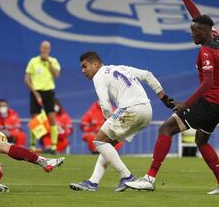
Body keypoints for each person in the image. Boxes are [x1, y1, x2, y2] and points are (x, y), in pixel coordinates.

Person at [126, 0, 219, 195]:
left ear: (203, 33)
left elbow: (208, 82)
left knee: (167, 128)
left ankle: (149, 178)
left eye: (193, 32)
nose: (191, 34)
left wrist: (187, 103)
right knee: (201, 140)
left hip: (210, 101)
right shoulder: (217, 37)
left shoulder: (205, 51)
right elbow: (197, 16)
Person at [69, 51, 174, 192]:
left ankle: (127, 176)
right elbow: (147, 75)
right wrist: (163, 98)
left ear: (95, 64)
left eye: (85, 66)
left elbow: (105, 104)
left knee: (99, 141)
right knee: (106, 145)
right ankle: (92, 183)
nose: (83, 71)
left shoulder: (99, 76)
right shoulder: (121, 68)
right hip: (147, 110)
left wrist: (108, 120)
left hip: (130, 109)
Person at [24, 40, 61, 154]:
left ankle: (54, 147)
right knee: (35, 119)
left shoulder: (53, 61)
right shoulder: (33, 61)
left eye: (47, 48)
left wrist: (49, 63)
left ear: (49, 50)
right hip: (36, 92)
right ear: (40, 48)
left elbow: (57, 74)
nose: (45, 50)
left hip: (49, 92)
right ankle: (33, 146)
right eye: (43, 48)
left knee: (52, 118)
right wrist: (35, 93)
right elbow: (26, 78)